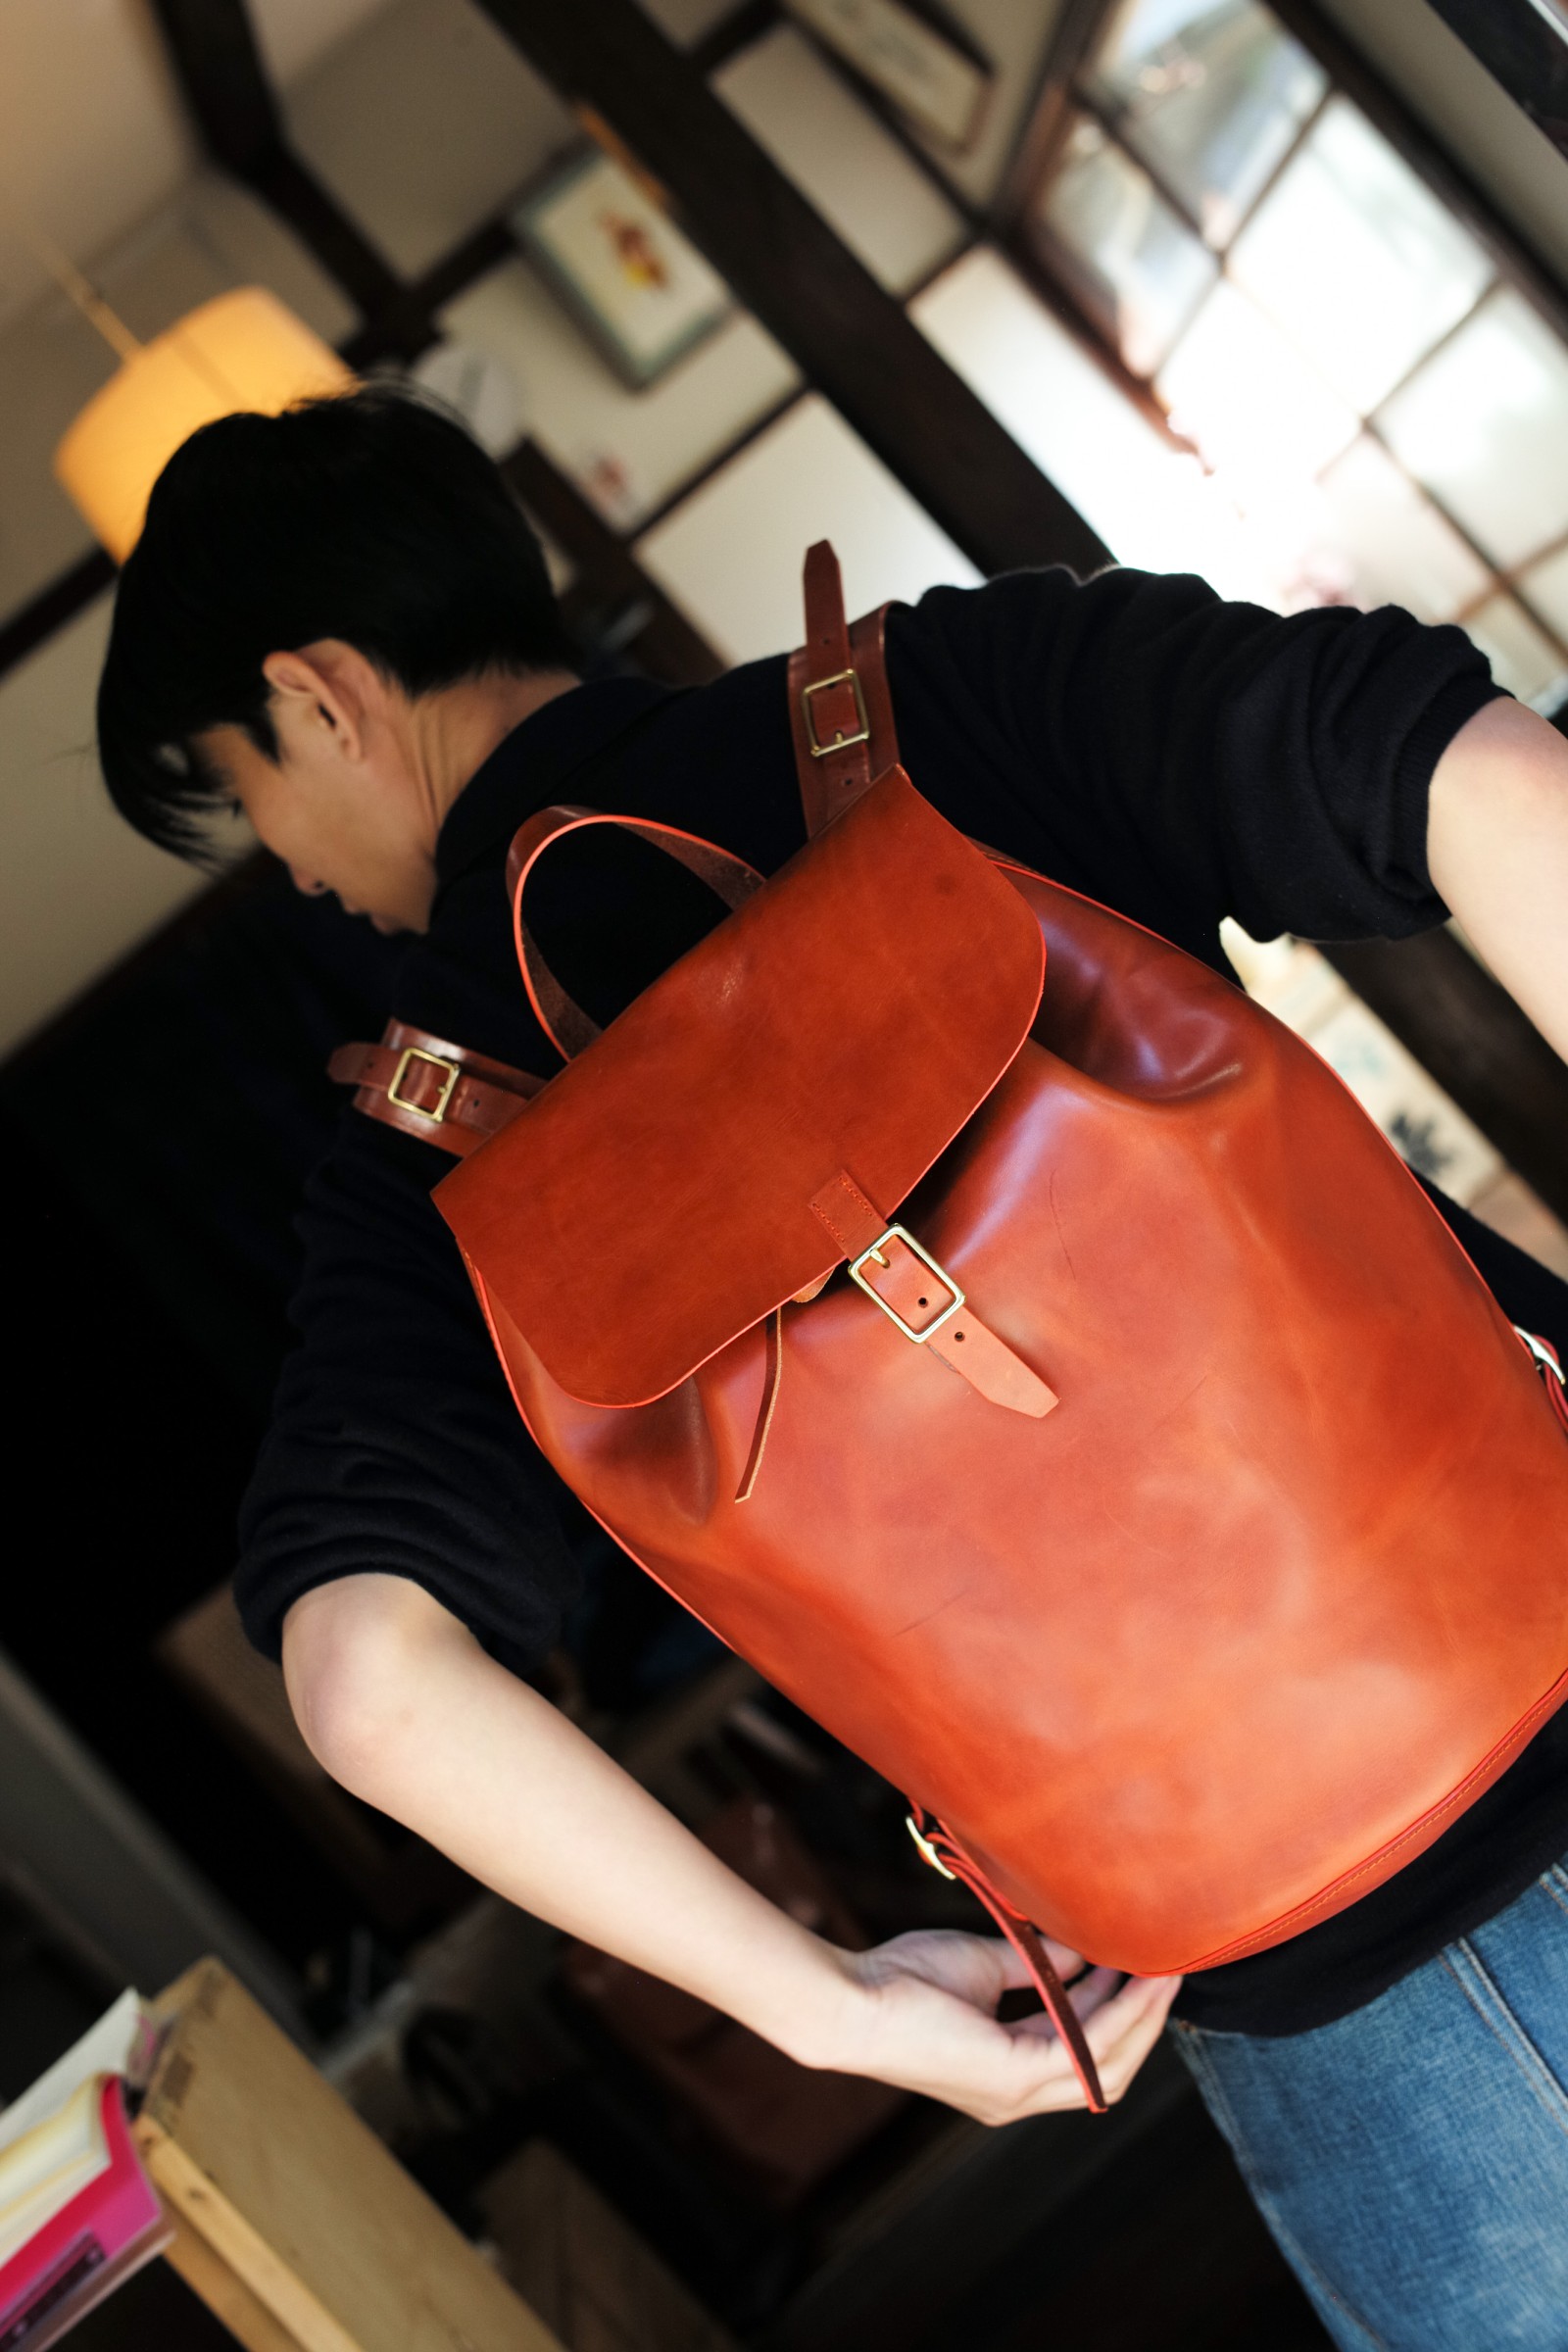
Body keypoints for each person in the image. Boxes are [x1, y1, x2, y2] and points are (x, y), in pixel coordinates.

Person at [98, 386, 1568, 2348]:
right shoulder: (931, 701)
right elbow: (1474, 772)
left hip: (1316, 1957)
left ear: (322, 694)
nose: (285, 864)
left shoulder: (434, 1176)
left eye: (245, 787)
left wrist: (833, 2006)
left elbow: (369, 1679)